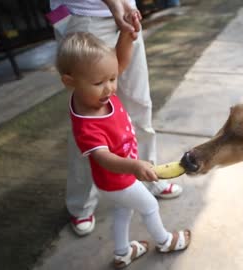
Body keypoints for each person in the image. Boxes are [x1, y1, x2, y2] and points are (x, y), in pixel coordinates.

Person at [56, 22, 191, 267]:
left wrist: (127, 37)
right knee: (149, 205)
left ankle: (122, 252)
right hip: (117, 179)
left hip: (117, 179)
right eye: (99, 82)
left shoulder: (94, 94)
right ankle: (164, 241)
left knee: (123, 211)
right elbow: (103, 157)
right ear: (70, 81)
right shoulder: (87, 124)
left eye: (112, 79)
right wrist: (134, 166)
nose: (109, 87)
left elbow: (119, 64)